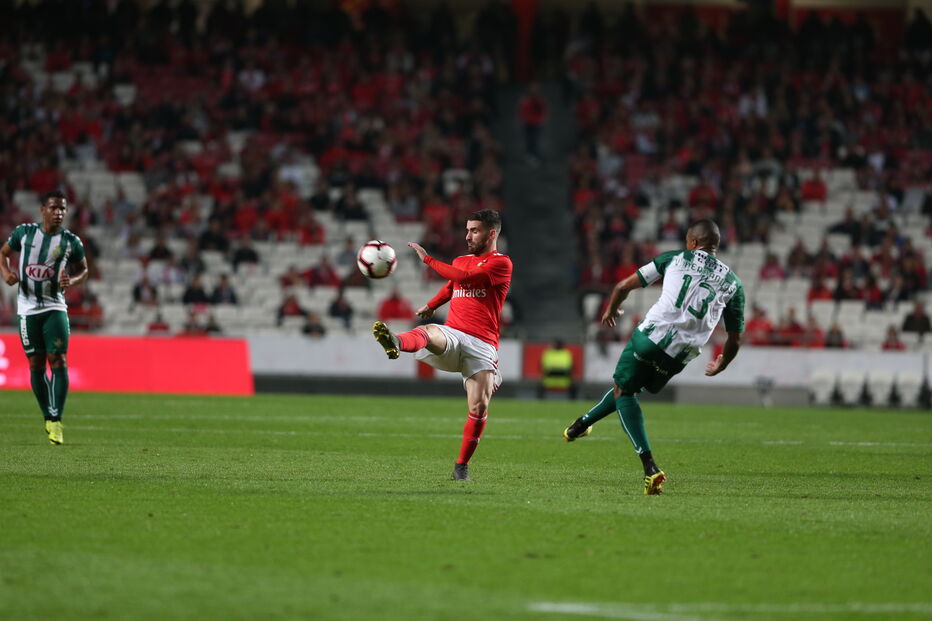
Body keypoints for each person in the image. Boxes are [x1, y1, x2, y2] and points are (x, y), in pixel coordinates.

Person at [561, 219, 744, 495]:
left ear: (693, 242)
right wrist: (722, 363)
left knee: (624, 392)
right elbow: (735, 338)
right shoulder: (733, 283)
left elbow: (622, 286)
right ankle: (580, 425)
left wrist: (611, 310)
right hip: (681, 354)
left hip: (652, 336)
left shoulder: (675, 258)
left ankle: (650, 467)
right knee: (628, 387)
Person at [371, 209, 512, 481]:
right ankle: (396, 342)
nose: (467, 236)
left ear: (491, 233)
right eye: (467, 230)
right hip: (454, 333)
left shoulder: (501, 263)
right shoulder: (461, 260)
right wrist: (431, 305)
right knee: (429, 331)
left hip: (482, 344)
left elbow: (466, 279)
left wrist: (428, 259)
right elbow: (452, 286)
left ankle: (461, 466)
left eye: (474, 231)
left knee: (479, 408)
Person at [0, 190, 89, 445]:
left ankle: (56, 419)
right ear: (43, 210)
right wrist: (6, 273)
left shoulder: (71, 241)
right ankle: (47, 416)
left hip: (54, 307)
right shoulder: (24, 233)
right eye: (53, 208)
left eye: (62, 209)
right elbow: (3, 253)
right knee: (36, 364)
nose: (58, 213)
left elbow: (84, 270)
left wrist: (72, 280)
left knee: (58, 359)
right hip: (27, 310)